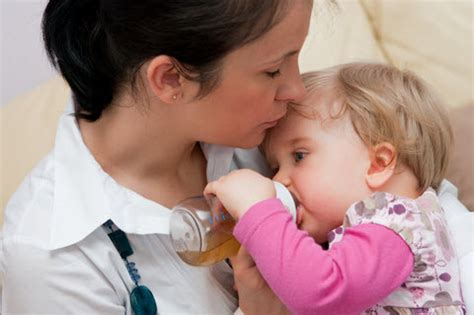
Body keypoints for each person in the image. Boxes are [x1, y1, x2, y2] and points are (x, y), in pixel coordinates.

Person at [0, 0, 313, 314]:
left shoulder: (284, 134)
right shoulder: (51, 259)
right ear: (170, 79)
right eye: (273, 71)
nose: (296, 90)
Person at [205, 63, 466, 314]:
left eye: (299, 156)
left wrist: (259, 212)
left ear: (378, 164)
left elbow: (319, 293)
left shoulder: (398, 225)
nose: (279, 180)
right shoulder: (347, 237)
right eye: (275, 168)